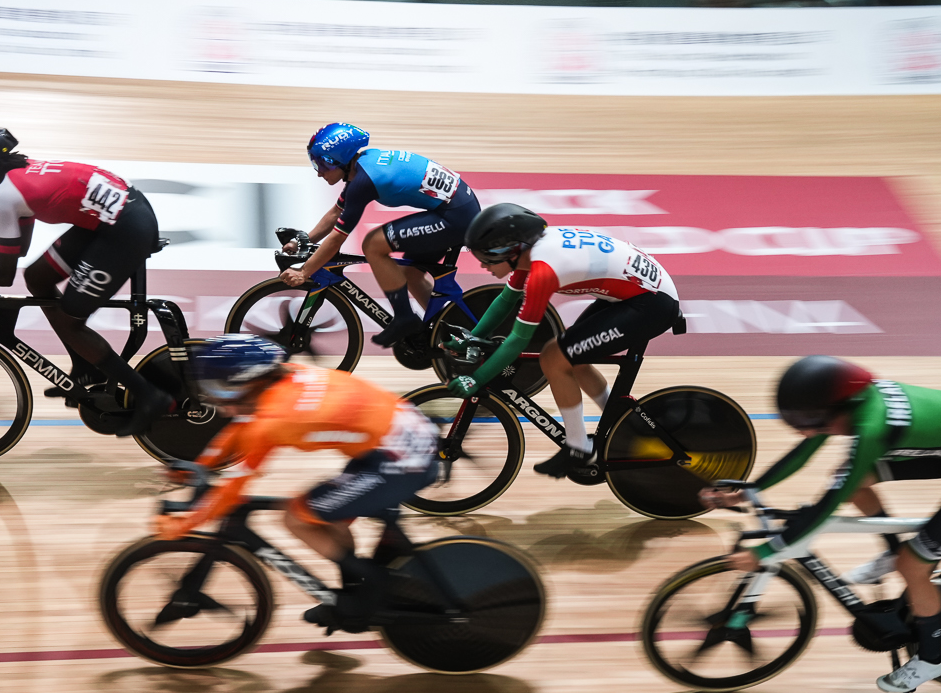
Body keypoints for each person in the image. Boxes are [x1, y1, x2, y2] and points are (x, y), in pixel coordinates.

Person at [701, 356, 941, 693]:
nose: (805, 429)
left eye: (811, 420)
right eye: (798, 420)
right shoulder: (849, 406)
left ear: (845, 407)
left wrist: (768, 550)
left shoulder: (872, 426)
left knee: (913, 565)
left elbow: (828, 506)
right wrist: (751, 488)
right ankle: (894, 551)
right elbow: (804, 451)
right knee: (851, 480)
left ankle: (932, 657)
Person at [156, 335, 439, 633]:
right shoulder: (283, 376)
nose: (221, 405)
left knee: (297, 515)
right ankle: (353, 593)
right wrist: (202, 465)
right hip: (397, 441)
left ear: (250, 382)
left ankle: (373, 586)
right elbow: (241, 426)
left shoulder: (275, 420)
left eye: (223, 391)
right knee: (332, 519)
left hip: (398, 461)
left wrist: (184, 525)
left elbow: (231, 489)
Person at [0, 128, 168, 435]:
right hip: (116, 217)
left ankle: (150, 396)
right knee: (37, 277)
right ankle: (85, 367)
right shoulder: (17, 179)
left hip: (124, 230)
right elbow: (16, 249)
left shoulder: (7, 196)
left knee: (71, 321)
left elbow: (3, 275)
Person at [445, 203, 682, 481]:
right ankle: (622, 425)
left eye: (486, 257)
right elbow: (506, 299)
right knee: (573, 358)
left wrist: (477, 378)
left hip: (651, 304)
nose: (482, 264)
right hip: (636, 295)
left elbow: (519, 339)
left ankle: (579, 448)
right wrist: (476, 337)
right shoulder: (528, 253)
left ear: (511, 251)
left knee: (554, 356)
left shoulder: (542, 270)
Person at [282, 123, 483, 354]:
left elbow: (336, 239)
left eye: (323, 164)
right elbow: (336, 212)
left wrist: (304, 272)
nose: (319, 172)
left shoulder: (363, 182)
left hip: (455, 216)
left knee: (373, 244)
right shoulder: (362, 165)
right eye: (316, 164)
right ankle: (451, 332)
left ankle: (405, 318)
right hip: (456, 209)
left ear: (340, 159)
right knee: (412, 274)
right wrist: (303, 240)